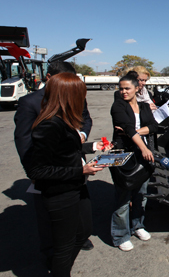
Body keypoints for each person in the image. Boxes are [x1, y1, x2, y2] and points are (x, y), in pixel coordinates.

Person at [13, 62, 95, 266]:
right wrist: (35, 173)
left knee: (78, 225)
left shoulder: (73, 98)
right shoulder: (31, 104)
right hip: (51, 173)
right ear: (53, 80)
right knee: (51, 225)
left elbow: (84, 119)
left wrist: (82, 138)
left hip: (72, 170)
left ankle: (70, 245)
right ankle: (53, 253)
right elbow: (24, 141)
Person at [24, 73, 105, 277]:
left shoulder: (64, 121)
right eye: (81, 95)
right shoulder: (49, 125)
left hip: (76, 187)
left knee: (83, 232)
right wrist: (81, 170)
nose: (83, 101)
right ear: (68, 96)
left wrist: (91, 146)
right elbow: (38, 170)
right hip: (60, 194)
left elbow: (64, 150)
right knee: (64, 247)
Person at [110, 72, 158, 251]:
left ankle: (138, 226)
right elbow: (128, 128)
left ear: (137, 88)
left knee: (141, 194)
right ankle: (120, 235)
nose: (123, 92)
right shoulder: (118, 106)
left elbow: (154, 126)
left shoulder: (145, 106)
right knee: (123, 197)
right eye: (121, 89)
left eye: (127, 88)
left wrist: (136, 131)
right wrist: (143, 147)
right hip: (124, 154)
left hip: (143, 156)